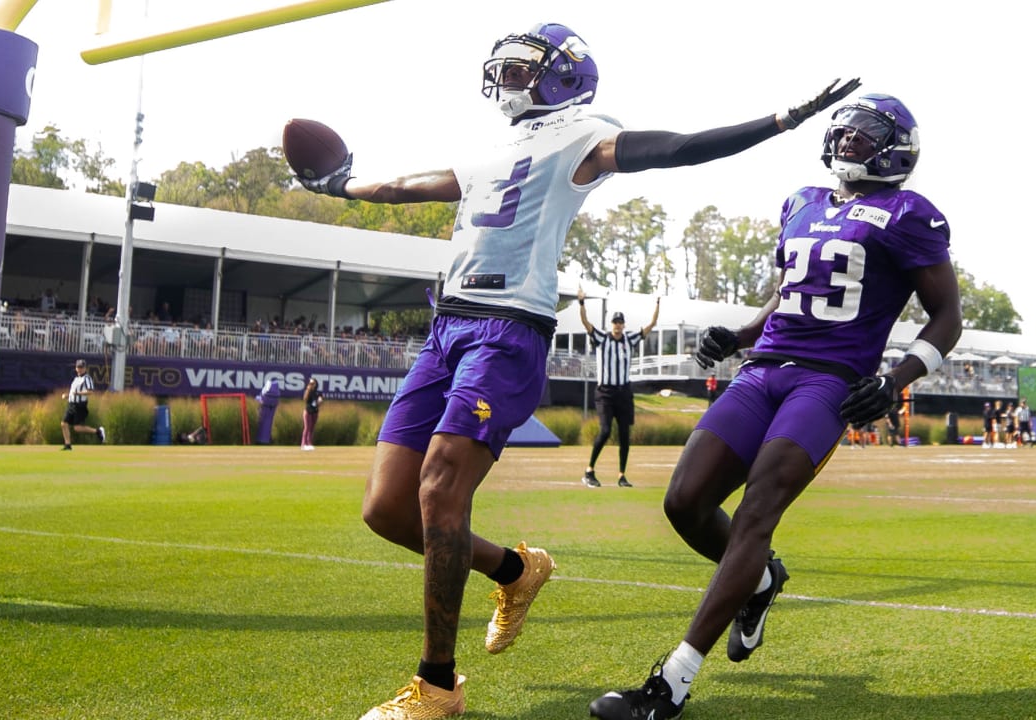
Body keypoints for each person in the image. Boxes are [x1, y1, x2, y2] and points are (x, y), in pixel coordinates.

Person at [297, 21, 859, 720]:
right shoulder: (491, 147)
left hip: (507, 331)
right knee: (387, 508)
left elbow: (675, 149)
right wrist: (343, 183)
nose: (505, 78)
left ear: (562, 76)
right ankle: (514, 568)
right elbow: (413, 183)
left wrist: (779, 121)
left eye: (520, 68)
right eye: (503, 67)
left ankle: (436, 686)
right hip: (449, 327)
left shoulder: (581, 134)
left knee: (441, 485)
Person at [590, 92, 962, 720]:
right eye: (842, 133)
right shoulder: (803, 201)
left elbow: (947, 314)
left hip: (828, 383)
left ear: (895, 148)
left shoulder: (910, 212)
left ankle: (671, 684)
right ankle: (760, 580)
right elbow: (788, 294)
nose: (846, 142)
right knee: (684, 501)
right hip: (763, 371)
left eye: (862, 135)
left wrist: (898, 376)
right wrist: (738, 337)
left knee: (759, 508)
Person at [578, 288, 660, 488]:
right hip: (605, 392)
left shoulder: (629, 339)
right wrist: (582, 303)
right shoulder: (602, 339)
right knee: (605, 431)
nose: (618, 326)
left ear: (623, 325)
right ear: (611, 324)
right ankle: (589, 471)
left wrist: (657, 304)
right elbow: (586, 324)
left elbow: (650, 326)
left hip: (624, 392)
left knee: (624, 434)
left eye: (620, 323)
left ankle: (622, 475)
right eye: (615, 322)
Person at [59, 358, 104, 450]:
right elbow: (74, 392)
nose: (79, 369)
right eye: (78, 367)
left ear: (85, 368)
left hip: (80, 405)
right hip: (71, 404)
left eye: (81, 367)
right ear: (76, 368)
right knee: (64, 423)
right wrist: (67, 395)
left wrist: (78, 394)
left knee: (77, 428)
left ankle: (97, 431)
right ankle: (68, 445)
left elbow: (90, 392)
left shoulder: (87, 378)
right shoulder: (76, 379)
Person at [255, 377, 281, 445]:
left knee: (262, 425)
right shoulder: (276, 392)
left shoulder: (266, 390)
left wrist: (257, 399)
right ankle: (266, 440)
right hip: (271, 410)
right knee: (268, 425)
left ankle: (260, 440)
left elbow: (260, 399)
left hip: (264, 409)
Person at [300, 377, 322, 451]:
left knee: (312, 428)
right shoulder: (308, 392)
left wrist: (319, 401)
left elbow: (319, 403)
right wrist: (308, 389)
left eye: (313, 383)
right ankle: (303, 444)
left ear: (316, 384)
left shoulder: (318, 393)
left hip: (315, 412)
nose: (311, 384)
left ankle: (309, 443)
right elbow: (305, 399)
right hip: (308, 412)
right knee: (307, 427)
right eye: (310, 383)